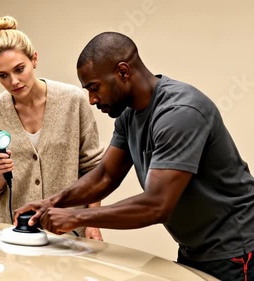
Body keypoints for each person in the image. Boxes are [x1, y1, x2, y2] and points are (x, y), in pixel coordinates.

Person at [14, 31, 254, 280]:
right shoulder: (129, 117)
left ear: (123, 71)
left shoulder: (180, 113)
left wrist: (75, 216)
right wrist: (51, 202)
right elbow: (105, 176)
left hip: (237, 251)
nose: (92, 99)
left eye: (95, 88)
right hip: (196, 249)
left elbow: (155, 205)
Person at [0, 16, 105, 240]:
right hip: (15, 235)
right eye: (3, 75)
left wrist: (93, 221)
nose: (14, 81)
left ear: (34, 59)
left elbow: (94, 168)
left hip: (70, 233)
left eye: (20, 69)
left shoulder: (73, 101)